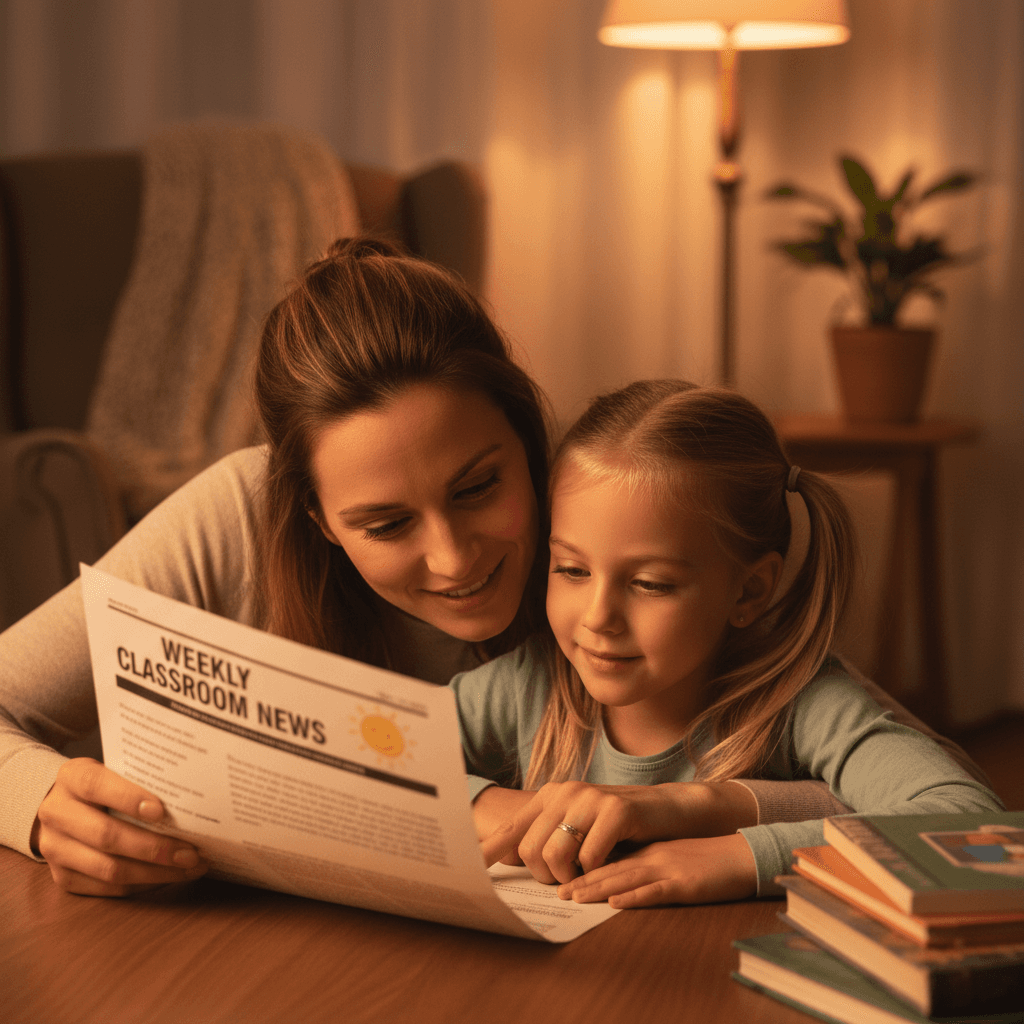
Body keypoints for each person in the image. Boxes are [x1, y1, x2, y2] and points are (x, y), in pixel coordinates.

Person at [0, 240, 853, 897]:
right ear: (315, 518)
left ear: (526, 439)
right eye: (384, 523)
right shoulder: (233, 514)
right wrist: (40, 805)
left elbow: (855, 780)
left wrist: (718, 814)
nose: (455, 559)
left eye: (479, 486)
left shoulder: (609, 529)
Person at [452, 379, 1003, 908]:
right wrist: (514, 812)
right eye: (571, 569)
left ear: (750, 589)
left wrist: (739, 853)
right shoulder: (529, 684)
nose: (599, 617)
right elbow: (370, 756)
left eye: (651, 584)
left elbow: (971, 824)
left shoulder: (803, 704)